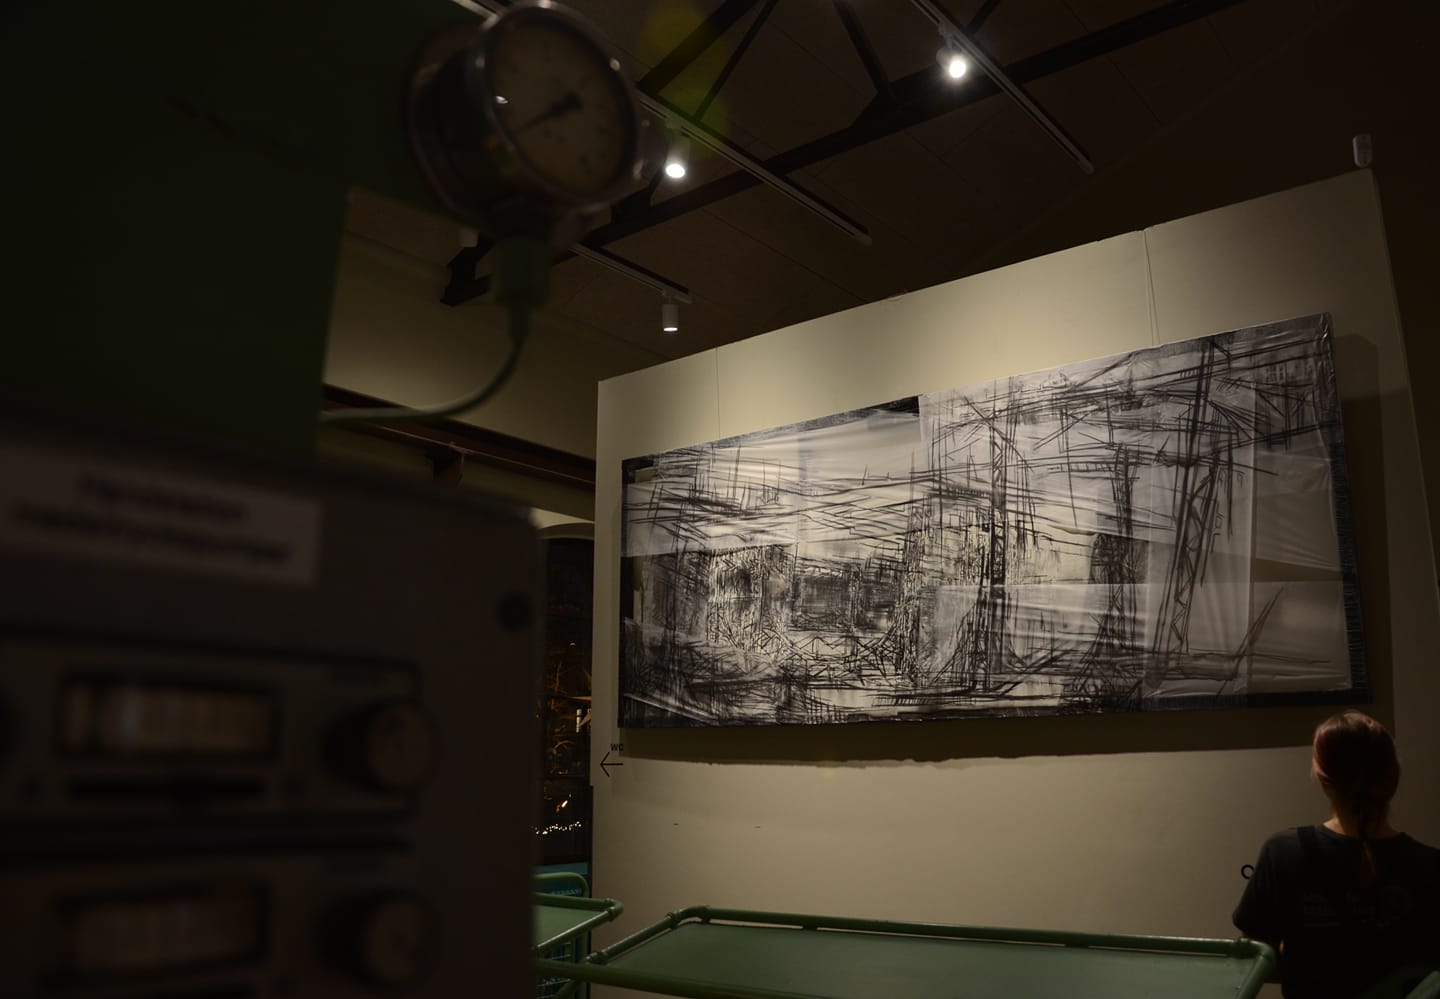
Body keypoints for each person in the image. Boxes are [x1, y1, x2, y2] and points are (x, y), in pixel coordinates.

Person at [1233, 710, 1440, 998]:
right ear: (1394, 778)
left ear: (1323, 780)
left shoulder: (1283, 852)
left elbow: (1256, 960)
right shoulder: (1431, 866)